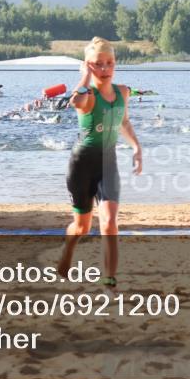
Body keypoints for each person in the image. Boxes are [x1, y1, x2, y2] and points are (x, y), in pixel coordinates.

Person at [58, 37, 143, 291]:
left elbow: (123, 122)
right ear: (88, 64)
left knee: (109, 222)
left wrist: (137, 147)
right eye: (98, 64)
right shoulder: (88, 95)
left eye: (110, 63)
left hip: (108, 164)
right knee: (82, 227)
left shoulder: (123, 92)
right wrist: (85, 77)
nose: (105, 69)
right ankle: (68, 249)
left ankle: (109, 279)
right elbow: (75, 102)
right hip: (81, 166)